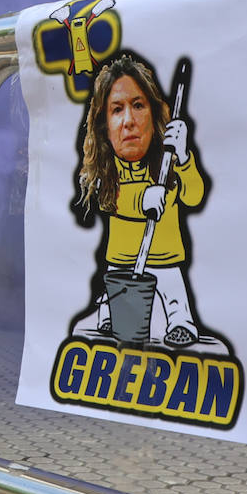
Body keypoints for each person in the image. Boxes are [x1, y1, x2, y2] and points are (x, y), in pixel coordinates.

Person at [72, 55, 205, 348]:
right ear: (103, 123)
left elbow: (193, 196)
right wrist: (142, 198)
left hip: (167, 259)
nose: (129, 120)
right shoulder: (106, 168)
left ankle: (181, 323)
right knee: (112, 298)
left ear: (155, 112)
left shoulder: (168, 160)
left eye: (138, 105)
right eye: (117, 109)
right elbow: (108, 200)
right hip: (120, 262)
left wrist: (183, 158)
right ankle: (107, 315)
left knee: (175, 298)